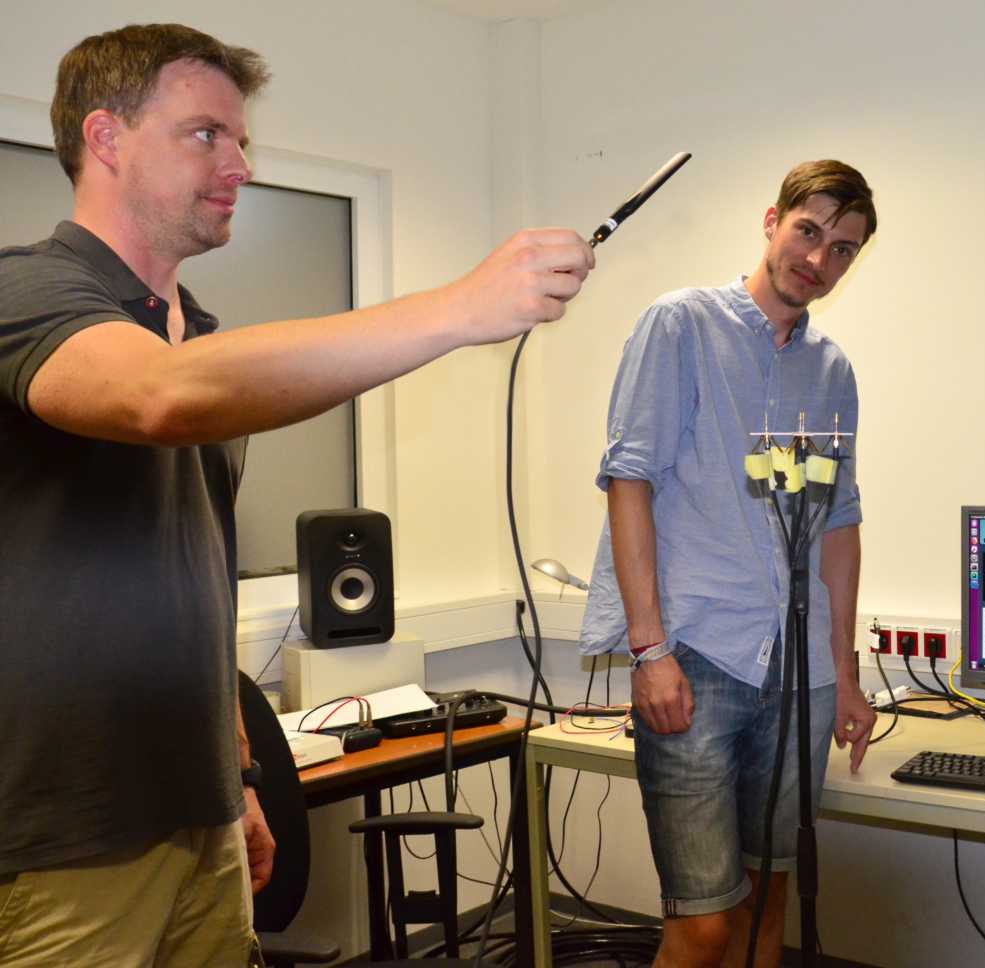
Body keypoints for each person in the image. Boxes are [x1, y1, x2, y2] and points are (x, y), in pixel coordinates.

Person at [0, 23, 593, 966]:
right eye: (206, 135)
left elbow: (195, 583)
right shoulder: (28, 291)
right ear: (105, 137)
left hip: (199, 820)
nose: (239, 164)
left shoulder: (200, 336)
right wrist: (460, 307)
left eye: (241, 140)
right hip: (67, 843)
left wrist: (234, 779)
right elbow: (156, 397)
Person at [579, 160, 878, 968]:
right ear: (771, 221)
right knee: (704, 925)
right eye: (808, 232)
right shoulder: (680, 325)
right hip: (697, 660)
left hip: (801, 675)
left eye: (842, 249)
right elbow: (629, 482)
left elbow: (838, 524)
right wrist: (649, 650)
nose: (817, 259)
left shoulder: (831, 371)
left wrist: (845, 674)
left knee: (768, 898)